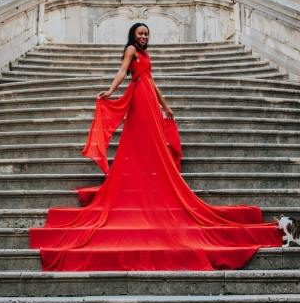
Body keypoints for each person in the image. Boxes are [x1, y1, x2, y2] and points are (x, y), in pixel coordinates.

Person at [29, 23, 282, 271]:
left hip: (150, 95)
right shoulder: (131, 50)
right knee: (144, 137)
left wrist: (166, 105)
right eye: (140, 33)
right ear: (133, 35)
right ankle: (144, 176)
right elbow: (122, 72)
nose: (143, 36)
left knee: (156, 138)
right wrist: (110, 90)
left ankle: (151, 175)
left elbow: (151, 80)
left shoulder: (146, 55)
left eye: (146, 34)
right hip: (139, 97)